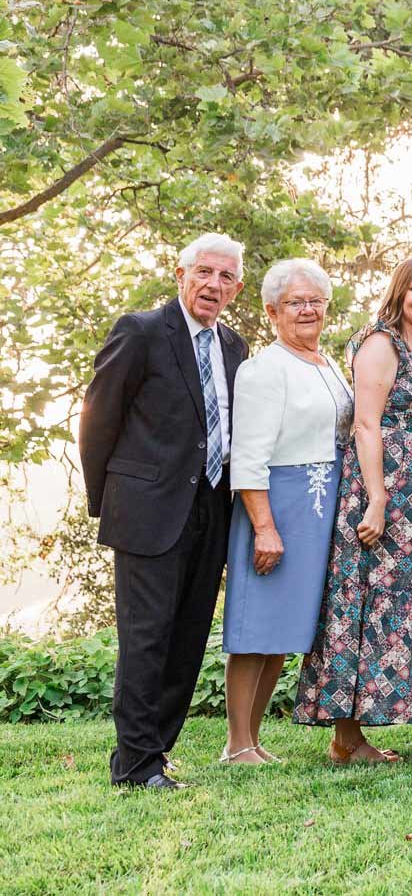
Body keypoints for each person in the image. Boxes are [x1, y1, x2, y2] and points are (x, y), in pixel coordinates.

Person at [80, 233, 249, 788]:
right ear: (181, 274)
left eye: (225, 277)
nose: (213, 285)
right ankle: (136, 765)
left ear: (237, 288)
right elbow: (98, 420)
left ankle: (153, 752)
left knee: (188, 637)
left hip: (213, 509)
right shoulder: (142, 331)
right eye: (205, 272)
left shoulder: (234, 348)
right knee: (147, 636)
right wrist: (105, 502)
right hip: (147, 510)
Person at [294, 256, 412, 755]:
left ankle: (354, 737)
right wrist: (377, 500)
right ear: (398, 292)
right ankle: (346, 738)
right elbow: (366, 424)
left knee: (403, 597)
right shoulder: (381, 342)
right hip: (386, 488)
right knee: (369, 599)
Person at [220, 258, 350, 767]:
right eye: (295, 302)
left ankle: (253, 741)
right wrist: (265, 527)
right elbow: (249, 456)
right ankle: (236, 744)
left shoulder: (327, 363)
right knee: (256, 626)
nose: (307, 310)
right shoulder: (262, 369)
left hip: (318, 508)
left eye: (315, 301)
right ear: (272, 310)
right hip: (278, 504)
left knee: (283, 629)